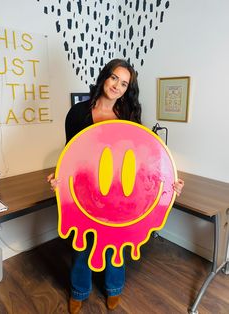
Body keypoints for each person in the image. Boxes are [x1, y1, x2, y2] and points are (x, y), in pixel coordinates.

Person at [47, 59, 184, 314]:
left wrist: (167, 184)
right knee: (82, 244)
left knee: (117, 240)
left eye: (124, 83)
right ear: (104, 78)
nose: (117, 86)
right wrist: (59, 180)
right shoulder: (78, 113)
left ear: (127, 89)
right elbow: (70, 156)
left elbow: (145, 161)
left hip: (120, 192)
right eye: (114, 78)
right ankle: (79, 291)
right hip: (86, 191)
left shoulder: (129, 116)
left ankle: (113, 288)